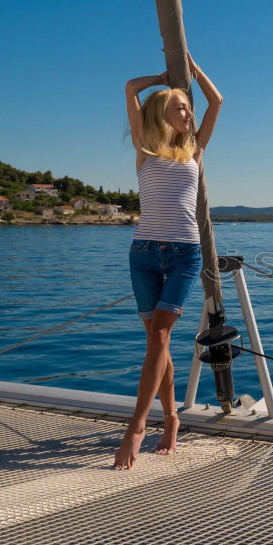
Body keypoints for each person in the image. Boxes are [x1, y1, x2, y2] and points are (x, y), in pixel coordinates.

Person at [115, 52, 223, 470]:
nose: (187, 112)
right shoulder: (144, 146)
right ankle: (173, 419)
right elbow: (129, 88)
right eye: (179, 106)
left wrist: (194, 72)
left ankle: (137, 426)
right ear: (164, 112)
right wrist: (161, 78)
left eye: (187, 107)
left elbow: (217, 103)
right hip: (143, 254)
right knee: (156, 344)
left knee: (159, 337)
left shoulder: (195, 149)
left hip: (184, 253)